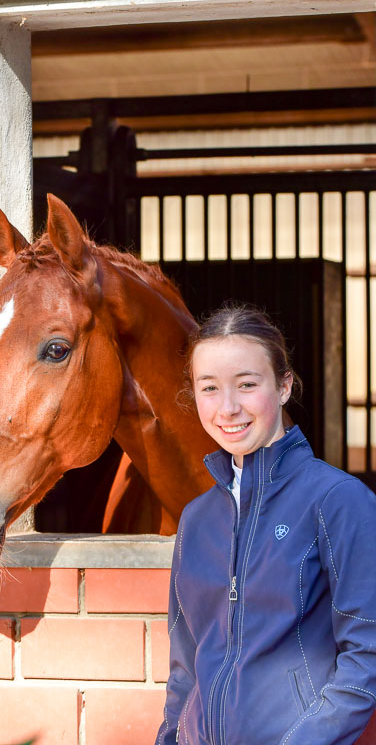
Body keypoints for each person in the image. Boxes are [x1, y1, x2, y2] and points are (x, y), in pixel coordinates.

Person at [156, 304, 376, 745]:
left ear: (283, 386)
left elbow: (366, 656)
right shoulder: (196, 519)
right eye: (210, 388)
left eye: (247, 385)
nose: (228, 408)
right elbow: (184, 667)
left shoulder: (338, 500)